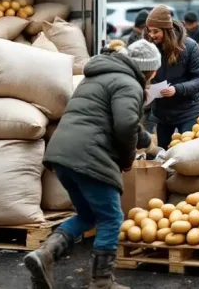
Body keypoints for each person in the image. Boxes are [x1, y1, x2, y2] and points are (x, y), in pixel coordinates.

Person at [24, 40, 162, 289]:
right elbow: (125, 125)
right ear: (151, 71)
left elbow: (111, 119)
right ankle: (101, 282)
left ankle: (44, 254)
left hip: (62, 154)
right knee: (111, 217)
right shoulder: (129, 83)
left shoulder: (97, 76)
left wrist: (148, 144)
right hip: (90, 155)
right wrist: (126, 159)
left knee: (88, 215)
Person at [145, 5, 199, 149]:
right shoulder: (149, 47)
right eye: (149, 31)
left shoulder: (189, 47)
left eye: (156, 31)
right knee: (161, 151)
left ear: (166, 31)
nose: (151, 35)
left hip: (190, 110)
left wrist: (177, 89)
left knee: (187, 151)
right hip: (162, 112)